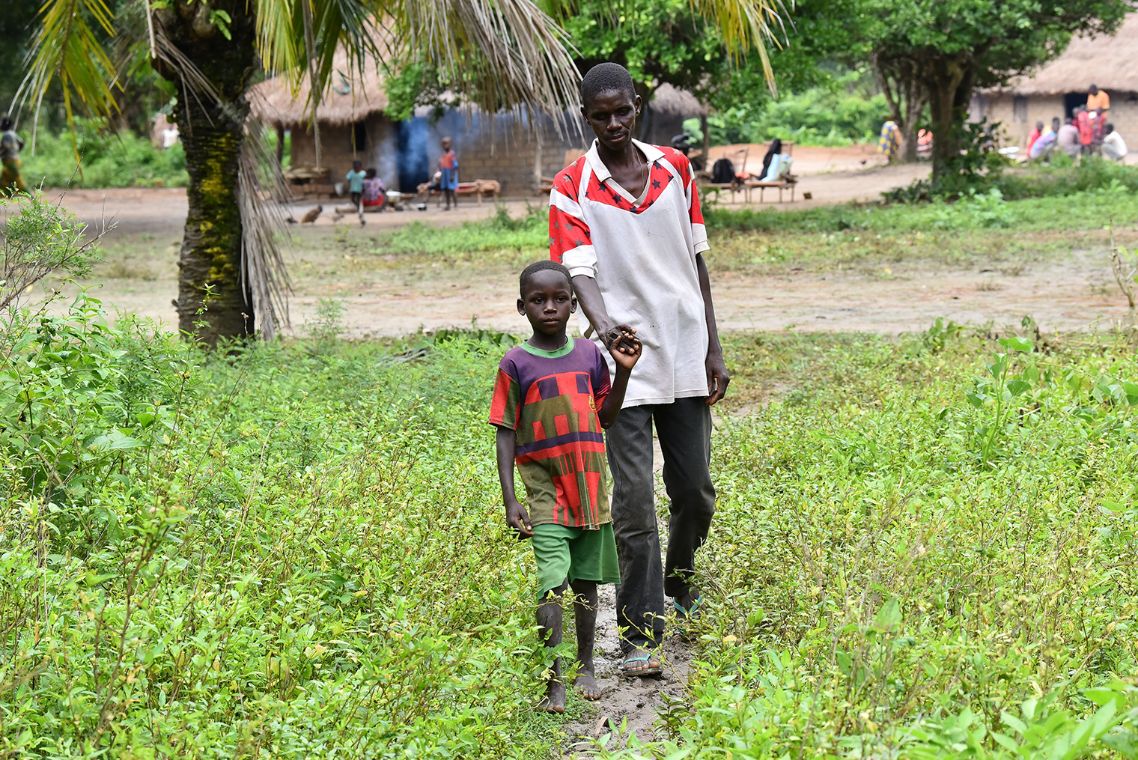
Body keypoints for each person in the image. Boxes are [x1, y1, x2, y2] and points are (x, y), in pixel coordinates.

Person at [548, 62, 729, 678]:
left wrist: (713, 347)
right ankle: (638, 634)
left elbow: (697, 262)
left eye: (622, 111)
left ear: (637, 105)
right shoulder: (571, 186)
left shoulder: (675, 169)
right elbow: (577, 270)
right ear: (586, 117)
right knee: (633, 503)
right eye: (600, 116)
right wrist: (606, 332)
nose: (613, 124)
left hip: (683, 347)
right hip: (620, 364)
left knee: (695, 492)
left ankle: (679, 582)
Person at [490, 260, 641, 713]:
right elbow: (505, 431)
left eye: (559, 299)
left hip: (590, 486)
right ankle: (552, 680)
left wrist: (624, 371)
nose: (550, 308)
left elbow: (606, 417)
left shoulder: (590, 355)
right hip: (545, 491)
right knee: (551, 583)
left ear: (574, 305)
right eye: (538, 300)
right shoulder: (515, 363)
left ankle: (586, 665)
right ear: (522, 307)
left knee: (586, 582)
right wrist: (510, 499)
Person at [0, 115, 26, 194]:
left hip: (10, 161)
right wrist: (16, 151)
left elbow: (5, 147)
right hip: (14, 160)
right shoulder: (12, 133)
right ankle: (6, 194)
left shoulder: (6, 135)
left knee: (19, 181)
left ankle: (31, 197)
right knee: (3, 182)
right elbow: (21, 143)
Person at [438, 136, 459, 210]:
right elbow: (441, 165)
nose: (444, 145)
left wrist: (452, 176)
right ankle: (448, 205)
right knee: (446, 190)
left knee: (452, 190)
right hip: (444, 174)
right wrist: (439, 173)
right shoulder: (443, 155)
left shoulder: (452, 154)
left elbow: (455, 166)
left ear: (450, 144)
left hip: (450, 173)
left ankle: (456, 204)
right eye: (443, 144)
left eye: (446, 143)